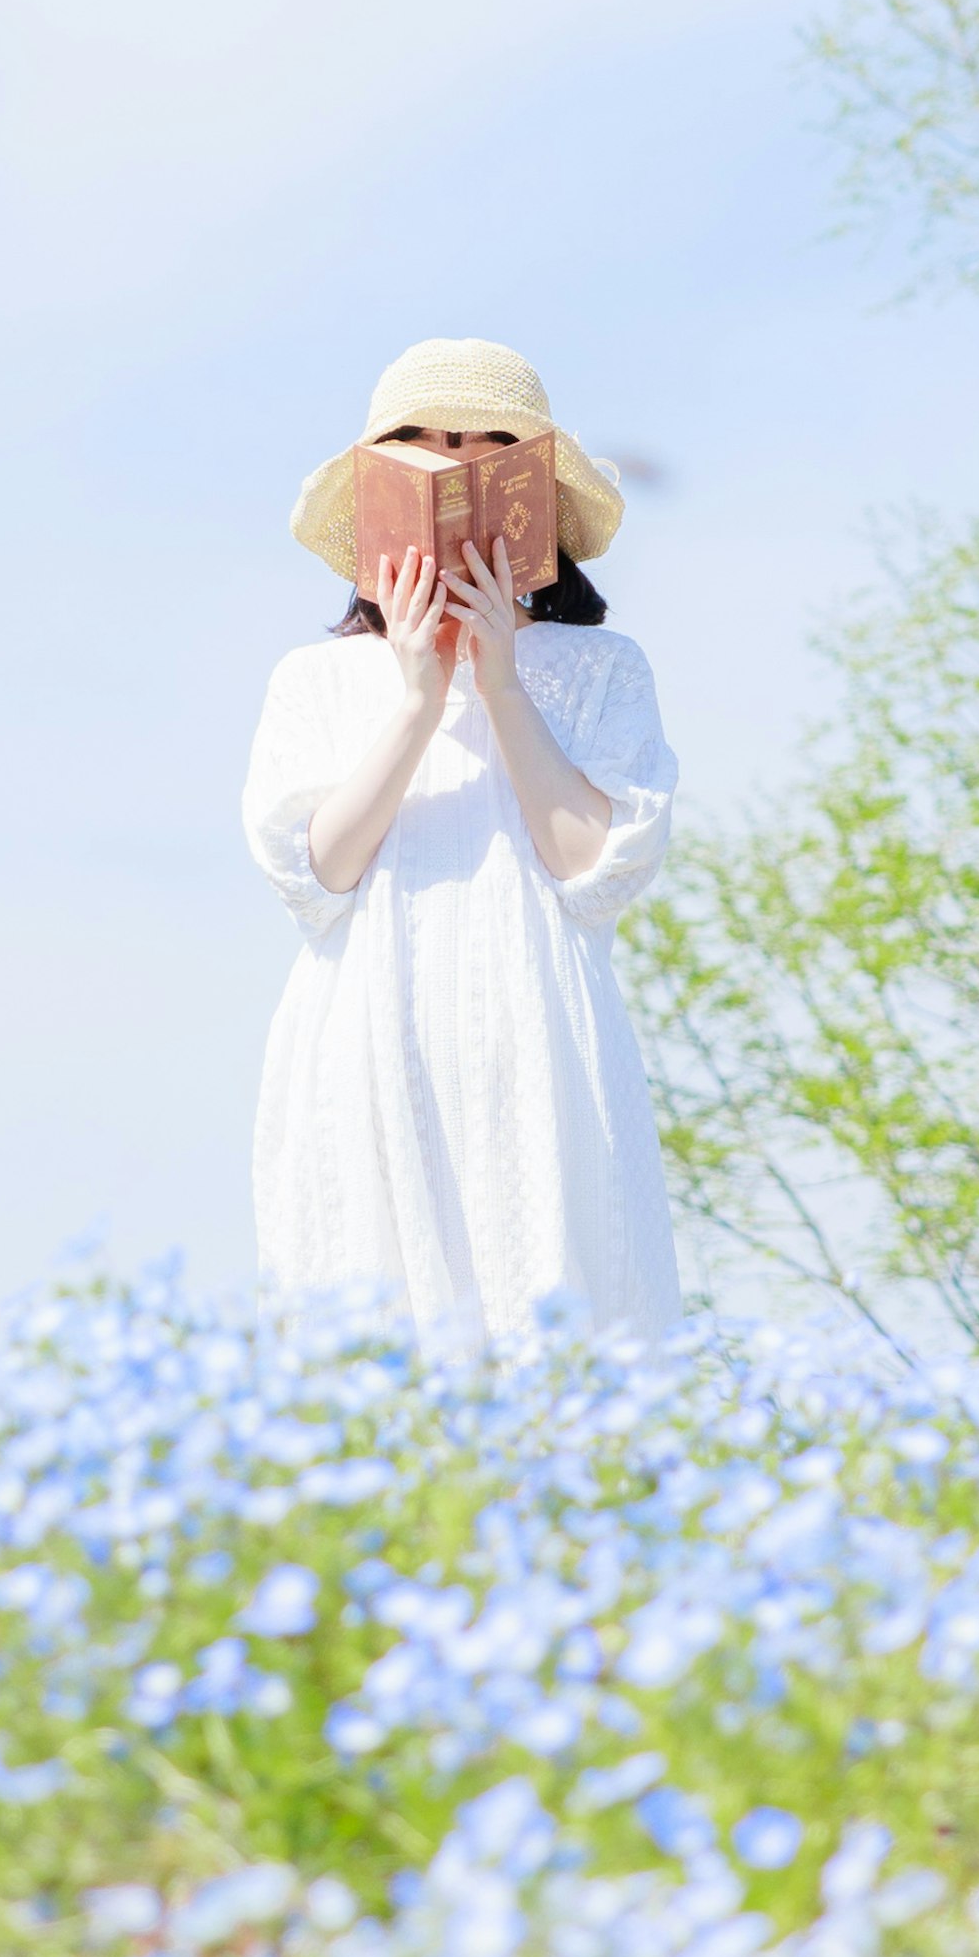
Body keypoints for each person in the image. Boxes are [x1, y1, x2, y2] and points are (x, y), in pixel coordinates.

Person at [242, 335, 681, 1337]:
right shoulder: (311, 681)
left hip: (536, 1035)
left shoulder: (603, 669)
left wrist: (501, 683)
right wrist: (415, 698)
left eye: (491, 443)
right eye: (429, 442)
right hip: (365, 1032)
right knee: (371, 1337)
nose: (458, 462)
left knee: (558, 1327)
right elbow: (318, 872)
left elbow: (593, 867)